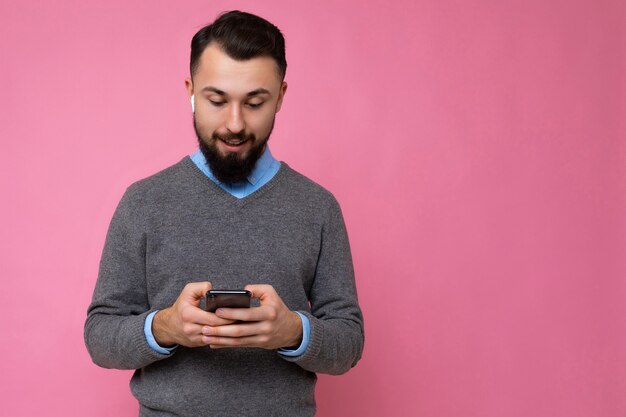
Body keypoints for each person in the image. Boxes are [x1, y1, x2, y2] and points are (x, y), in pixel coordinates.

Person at [84, 10, 364, 417]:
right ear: (190, 91)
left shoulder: (318, 207)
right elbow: (100, 336)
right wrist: (166, 326)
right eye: (217, 100)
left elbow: (349, 342)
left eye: (255, 102)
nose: (235, 124)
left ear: (281, 96)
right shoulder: (143, 202)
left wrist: (293, 332)